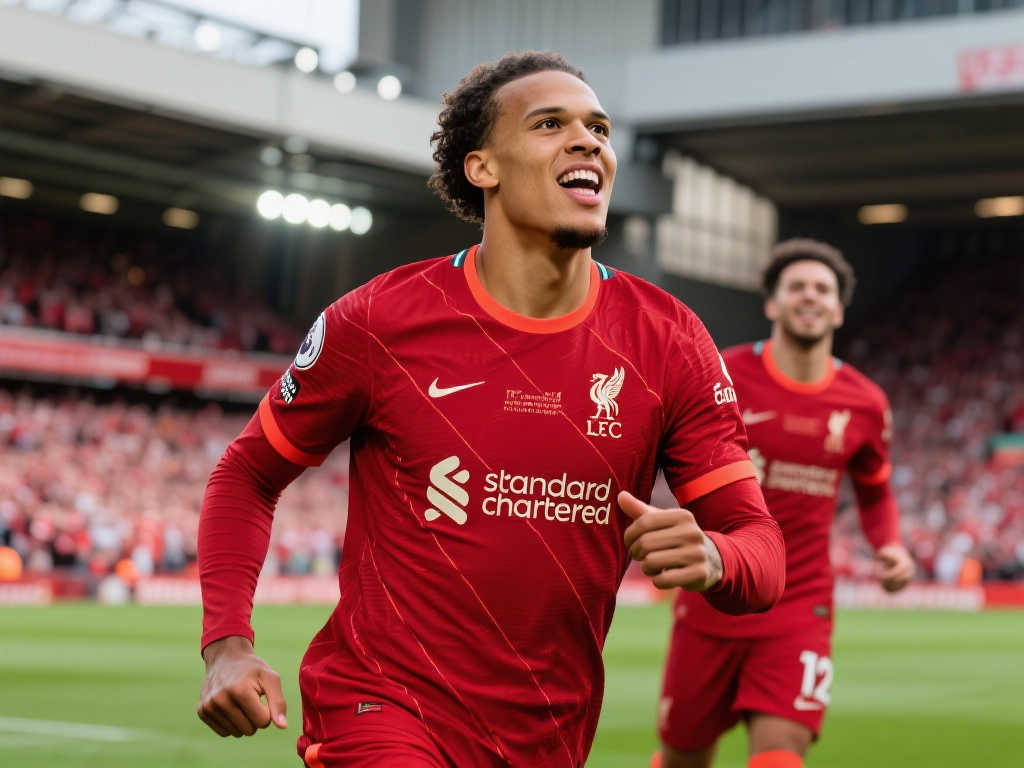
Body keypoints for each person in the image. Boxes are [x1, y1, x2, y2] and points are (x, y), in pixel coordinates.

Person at [196, 51, 785, 768]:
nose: (587, 141)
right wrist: (227, 644)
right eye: (550, 124)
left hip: (549, 734)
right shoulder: (381, 320)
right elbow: (247, 474)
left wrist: (717, 557)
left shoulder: (670, 340)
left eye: (599, 129)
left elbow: (761, 550)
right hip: (381, 706)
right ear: (483, 167)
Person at [654, 239, 915, 768]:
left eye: (823, 289)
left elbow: (875, 489)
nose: (810, 296)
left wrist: (890, 545)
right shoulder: (721, 376)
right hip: (714, 591)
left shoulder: (865, 404)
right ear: (772, 304)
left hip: (800, 603)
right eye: (797, 287)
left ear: (838, 309)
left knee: (780, 752)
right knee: (683, 757)